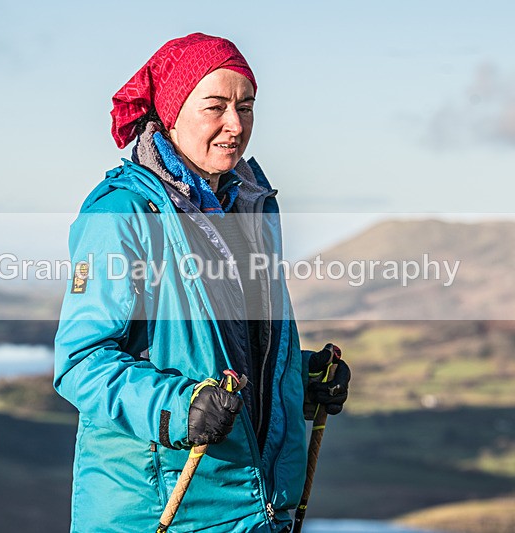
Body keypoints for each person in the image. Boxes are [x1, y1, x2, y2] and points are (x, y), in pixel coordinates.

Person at [54, 32, 351, 533]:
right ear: (171, 113)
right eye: (215, 107)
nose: (235, 124)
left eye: (246, 106)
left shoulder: (250, 207)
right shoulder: (123, 211)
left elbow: (233, 355)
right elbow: (81, 362)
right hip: (159, 514)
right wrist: (177, 407)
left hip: (256, 511)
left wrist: (298, 379)